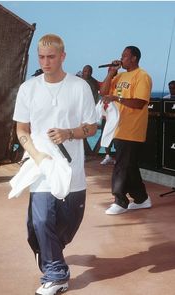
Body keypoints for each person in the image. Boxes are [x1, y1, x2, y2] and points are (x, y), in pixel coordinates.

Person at [12, 34, 97, 294]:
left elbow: (92, 127)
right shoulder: (29, 88)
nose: (46, 62)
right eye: (41, 57)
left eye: (51, 56)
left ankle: (50, 251)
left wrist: (68, 133)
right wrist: (36, 156)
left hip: (72, 170)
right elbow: (21, 129)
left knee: (67, 222)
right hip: (41, 166)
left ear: (63, 56)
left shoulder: (79, 87)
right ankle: (56, 273)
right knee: (40, 221)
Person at [100, 46, 152, 215]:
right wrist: (111, 73)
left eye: (125, 56)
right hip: (118, 126)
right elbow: (103, 91)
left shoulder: (142, 76)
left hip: (132, 127)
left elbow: (139, 103)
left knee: (122, 165)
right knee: (128, 166)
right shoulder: (120, 75)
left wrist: (116, 98)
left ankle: (120, 201)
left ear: (134, 58)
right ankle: (142, 198)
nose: (121, 58)